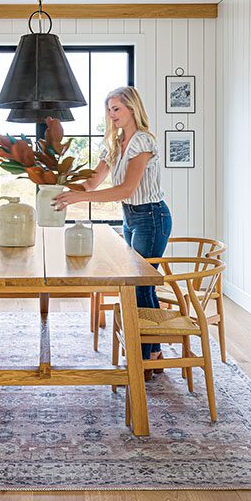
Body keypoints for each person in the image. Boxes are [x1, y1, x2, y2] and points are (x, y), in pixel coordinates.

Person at [54, 86, 172, 361]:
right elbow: (91, 183)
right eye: (109, 110)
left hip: (151, 217)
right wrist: (58, 184)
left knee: (138, 284)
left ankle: (143, 357)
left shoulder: (142, 142)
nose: (112, 114)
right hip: (132, 217)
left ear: (132, 108)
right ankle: (153, 353)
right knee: (141, 284)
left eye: (116, 108)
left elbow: (126, 190)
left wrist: (77, 199)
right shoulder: (116, 145)